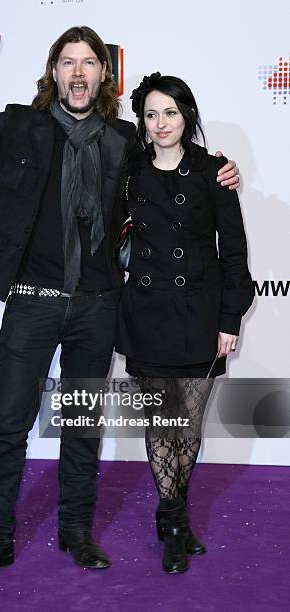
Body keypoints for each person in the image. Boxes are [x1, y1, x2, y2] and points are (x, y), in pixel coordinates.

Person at [0, 23, 239, 583]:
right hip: (32, 301)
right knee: (7, 424)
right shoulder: (20, 126)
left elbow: (175, 170)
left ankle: (76, 531)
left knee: (81, 426)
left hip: (97, 307)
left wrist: (220, 169)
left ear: (103, 75)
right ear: (53, 72)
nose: (77, 72)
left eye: (88, 63)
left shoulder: (124, 141)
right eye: (67, 62)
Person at [115, 72, 254, 574]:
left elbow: (233, 254)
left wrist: (230, 318)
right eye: (151, 114)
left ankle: (170, 511)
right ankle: (174, 524)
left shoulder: (214, 172)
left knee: (188, 427)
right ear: (142, 121)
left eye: (170, 112)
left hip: (199, 315)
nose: (161, 123)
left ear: (187, 115)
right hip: (148, 315)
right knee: (161, 423)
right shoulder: (128, 171)